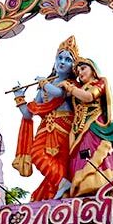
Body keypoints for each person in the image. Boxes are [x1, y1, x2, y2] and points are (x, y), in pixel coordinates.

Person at [13, 36, 79, 202]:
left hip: (63, 127)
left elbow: (59, 93)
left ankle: (63, 186)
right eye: (60, 58)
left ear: (73, 66)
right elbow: (29, 113)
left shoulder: (71, 84)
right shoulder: (46, 86)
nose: (62, 62)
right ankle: (62, 182)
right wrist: (19, 97)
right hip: (45, 128)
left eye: (68, 60)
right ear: (55, 60)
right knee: (36, 154)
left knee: (59, 161)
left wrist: (43, 83)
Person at [60, 58, 113, 198]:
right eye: (78, 72)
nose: (80, 73)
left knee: (95, 154)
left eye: (83, 69)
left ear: (93, 69)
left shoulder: (99, 83)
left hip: (94, 127)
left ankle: (100, 184)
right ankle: (82, 187)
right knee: (82, 156)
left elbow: (89, 97)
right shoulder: (79, 88)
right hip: (79, 130)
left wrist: (70, 88)